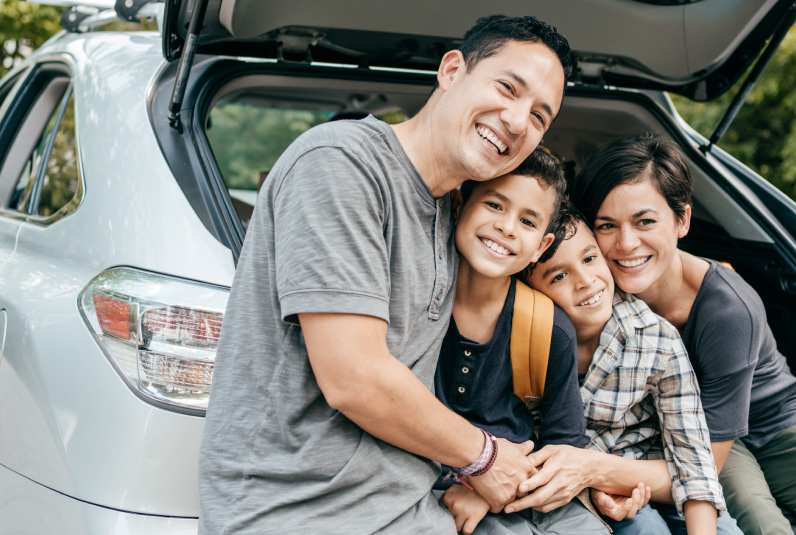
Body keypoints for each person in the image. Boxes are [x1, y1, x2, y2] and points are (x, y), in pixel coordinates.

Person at [197, 15, 575, 535]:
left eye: (539, 117)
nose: (516, 120)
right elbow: (355, 379)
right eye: (507, 87)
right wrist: (486, 459)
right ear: (451, 70)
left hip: (415, 510)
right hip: (297, 514)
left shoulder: (457, 218)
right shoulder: (340, 164)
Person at [567, 135, 796, 535]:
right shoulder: (592, 290)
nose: (626, 244)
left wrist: (597, 471)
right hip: (683, 431)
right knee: (758, 519)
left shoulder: (727, 311)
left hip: (767, 428)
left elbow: (703, 467)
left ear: (682, 221)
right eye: (606, 225)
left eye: (645, 221)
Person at [434, 148, 610, 535]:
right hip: (425, 487)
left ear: (542, 246)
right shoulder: (418, 306)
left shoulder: (548, 328)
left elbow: (565, 449)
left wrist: (489, 490)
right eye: (495, 205)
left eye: (527, 221)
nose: (507, 227)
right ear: (459, 202)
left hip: (520, 488)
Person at [525, 212, 728, 535]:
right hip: (575, 485)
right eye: (558, 276)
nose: (586, 280)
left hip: (646, 467)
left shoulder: (654, 337)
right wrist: (593, 490)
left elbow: (693, 457)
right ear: (529, 292)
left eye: (590, 258)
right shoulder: (525, 345)